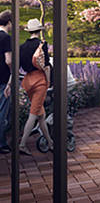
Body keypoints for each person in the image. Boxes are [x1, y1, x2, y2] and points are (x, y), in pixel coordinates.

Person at [18, 19, 52, 155]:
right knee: (33, 114)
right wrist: (48, 81)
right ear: (39, 30)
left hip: (28, 81)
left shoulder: (22, 46)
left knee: (40, 115)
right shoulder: (41, 45)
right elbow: (47, 66)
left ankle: (50, 142)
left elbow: (19, 65)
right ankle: (22, 144)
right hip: (39, 81)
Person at [0, 10, 13, 154]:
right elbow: (8, 60)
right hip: (3, 78)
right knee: (2, 112)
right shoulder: (5, 38)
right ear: (8, 22)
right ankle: (2, 144)